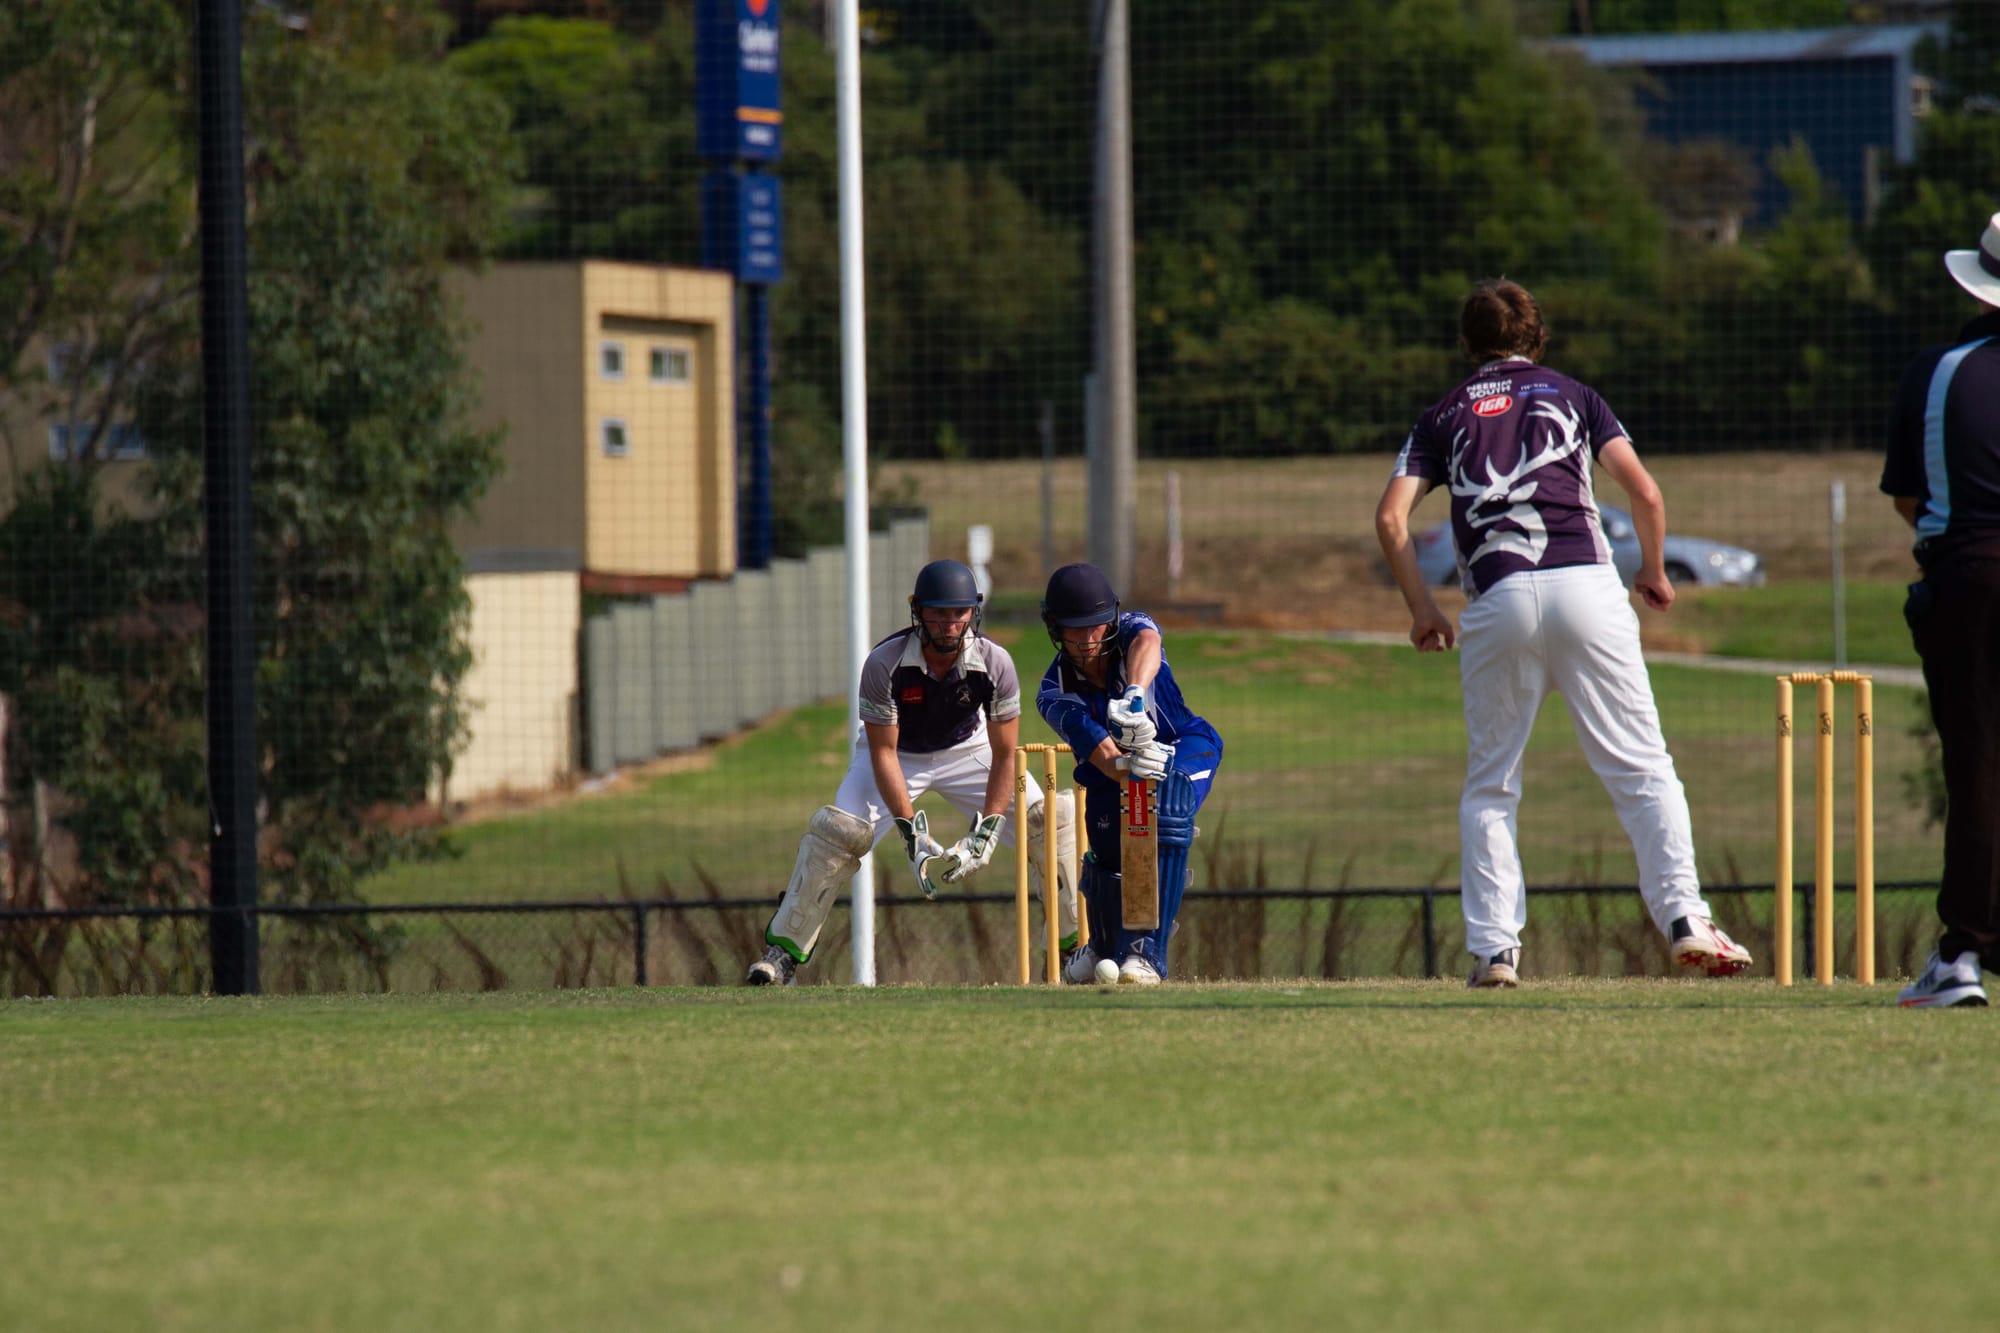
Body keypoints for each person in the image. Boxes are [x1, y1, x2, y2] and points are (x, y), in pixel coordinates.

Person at [1373, 277, 1752, 988]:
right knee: (1642, 767)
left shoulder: (1442, 414)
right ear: (1538, 338)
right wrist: (1653, 570)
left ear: (1466, 344)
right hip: (1587, 589)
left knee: (1492, 784)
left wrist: (1423, 610)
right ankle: (1685, 920)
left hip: (1498, 599)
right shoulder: (1576, 395)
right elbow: (1645, 492)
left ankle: (1495, 952)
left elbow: (1391, 519)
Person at [745, 559, 1080, 984]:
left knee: (1049, 821)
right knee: (839, 833)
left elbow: (1004, 754)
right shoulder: (883, 663)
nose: (949, 624)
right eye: (938, 613)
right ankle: (783, 953)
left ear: (973, 612)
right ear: (918, 611)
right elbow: (883, 751)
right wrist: (911, 831)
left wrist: (988, 830)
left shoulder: (996, 662)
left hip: (969, 749)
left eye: (959, 613)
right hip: (896, 753)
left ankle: (1072, 949)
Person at [1879, 213, 2000, 1008]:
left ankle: (1962, 955)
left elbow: (1910, 498)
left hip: (1973, 576)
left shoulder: (1940, 369)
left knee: (1980, 762)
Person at [1035, 562, 1223, 985]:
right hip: (1118, 768)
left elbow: (1149, 640)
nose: (1088, 639)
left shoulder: (1133, 630)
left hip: (1186, 744)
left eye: (1096, 626)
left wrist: (1134, 694)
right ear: (1055, 628)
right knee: (1107, 843)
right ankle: (1104, 946)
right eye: (1076, 630)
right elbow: (1103, 756)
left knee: (1169, 804)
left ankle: (1147, 954)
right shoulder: (1053, 694)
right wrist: (1132, 768)